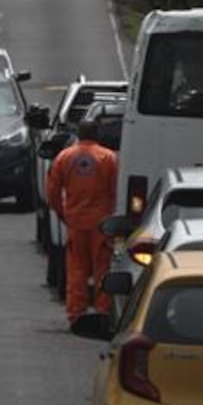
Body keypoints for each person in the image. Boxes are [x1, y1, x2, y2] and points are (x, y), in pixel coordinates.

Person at [45, 107, 120, 332]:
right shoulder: (108, 158)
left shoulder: (64, 157)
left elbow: (52, 192)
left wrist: (63, 213)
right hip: (102, 224)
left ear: (78, 134)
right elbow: (116, 191)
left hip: (76, 222)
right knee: (103, 269)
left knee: (77, 270)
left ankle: (76, 313)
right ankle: (103, 311)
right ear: (98, 134)